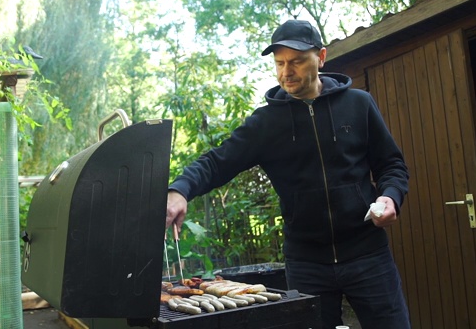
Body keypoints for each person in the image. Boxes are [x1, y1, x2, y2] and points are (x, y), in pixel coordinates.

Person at [165, 19, 411, 329]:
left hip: (368, 256)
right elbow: (217, 161)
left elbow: (392, 164)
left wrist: (391, 196)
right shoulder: (266, 123)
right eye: (279, 63)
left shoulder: (358, 105)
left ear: (320, 58)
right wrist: (180, 189)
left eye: (296, 61)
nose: (286, 71)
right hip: (307, 264)